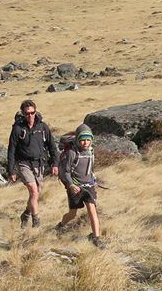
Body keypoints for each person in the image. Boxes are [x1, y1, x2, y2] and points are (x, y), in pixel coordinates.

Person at [6, 99, 60, 228]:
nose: (30, 116)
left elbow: (52, 146)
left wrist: (55, 164)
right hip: (23, 163)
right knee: (34, 191)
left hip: (39, 164)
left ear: (36, 112)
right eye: (27, 113)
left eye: (32, 113)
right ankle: (36, 222)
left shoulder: (43, 127)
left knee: (35, 195)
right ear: (23, 114)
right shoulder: (18, 129)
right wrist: (11, 170)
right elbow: (11, 150)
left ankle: (25, 214)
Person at [57, 123, 105, 247]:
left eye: (88, 140)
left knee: (92, 210)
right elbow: (65, 171)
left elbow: (90, 168)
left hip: (89, 186)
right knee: (72, 214)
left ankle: (96, 238)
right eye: (83, 140)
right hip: (75, 187)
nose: (85, 143)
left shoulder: (91, 151)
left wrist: (93, 180)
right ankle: (60, 226)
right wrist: (71, 185)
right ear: (78, 139)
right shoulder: (72, 152)